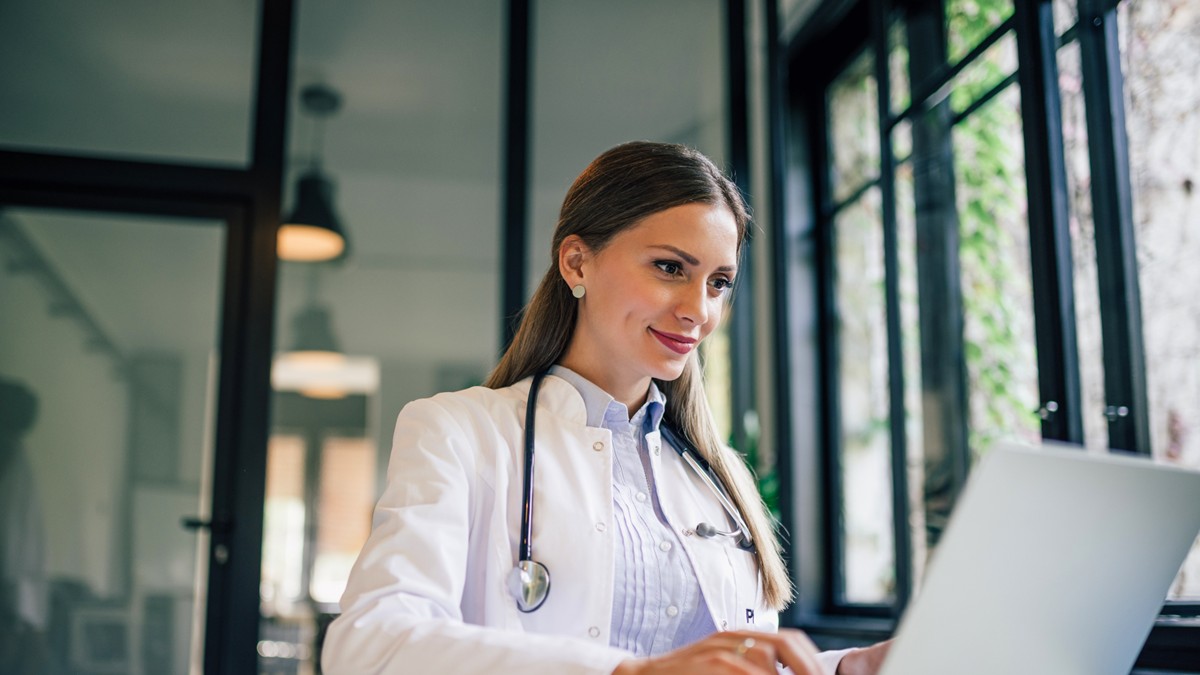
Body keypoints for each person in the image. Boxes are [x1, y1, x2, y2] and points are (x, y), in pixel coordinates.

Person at [321, 141, 889, 674]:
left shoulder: (718, 478)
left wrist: (843, 668)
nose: (699, 310)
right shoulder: (459, 432)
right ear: (576, 263)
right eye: (670, 267)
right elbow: (371, 645)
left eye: (718, 282)